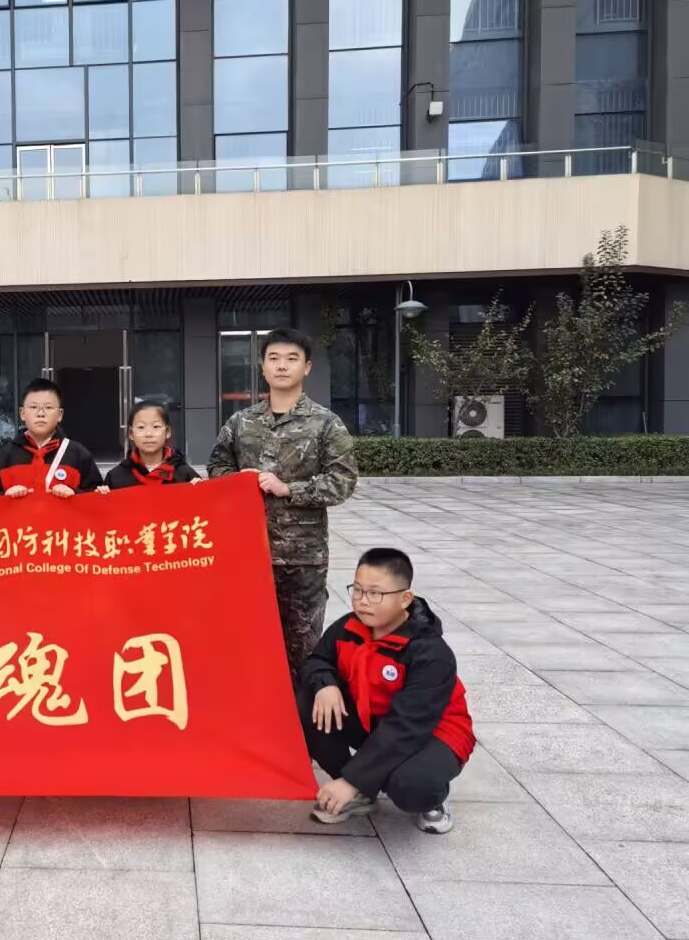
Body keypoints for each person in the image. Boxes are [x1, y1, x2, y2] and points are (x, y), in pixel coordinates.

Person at [206, 328, 357, 678]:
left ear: (307, 367)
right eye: (273, 359)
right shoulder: (241, 422)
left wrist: (289, 488)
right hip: (247, 552)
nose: (282, 366)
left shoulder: (325, 423)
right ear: (262, 367)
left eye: (292, 359)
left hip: (301, 558)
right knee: (247, 643)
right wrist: (238, 481)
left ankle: (302, 711)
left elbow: (343, 481)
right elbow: (217, 466)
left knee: (303, 647)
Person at [299, 548, 475, 834]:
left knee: (409, 784)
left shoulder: (431, 653)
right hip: (374, 719)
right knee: (307, 702)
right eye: (358, 590)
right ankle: (360, 794)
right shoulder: (348, 627)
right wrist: (326, 684)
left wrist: (353, 778)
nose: (363, 600)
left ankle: (434, 797)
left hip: (431, 733)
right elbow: (317, 661)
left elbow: (408, 725)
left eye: (375, 593)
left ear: (405, 598)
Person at [0, 378, 106, 498]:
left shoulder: (78, 455)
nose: (40, 414)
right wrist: (6, 496)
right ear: (22, 413)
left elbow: (95, 498)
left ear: (60, 415)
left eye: (48, 407)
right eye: (33, 407)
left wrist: (74, 493)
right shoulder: (4, 456)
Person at [105, 400, 202, 489]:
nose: (148, 434)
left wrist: (200, 489)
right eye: (141, 427)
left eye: (156, 426)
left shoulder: (185, 475)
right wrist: (102, 494)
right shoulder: (115, 477)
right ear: (131, 433)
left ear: (167, 431)